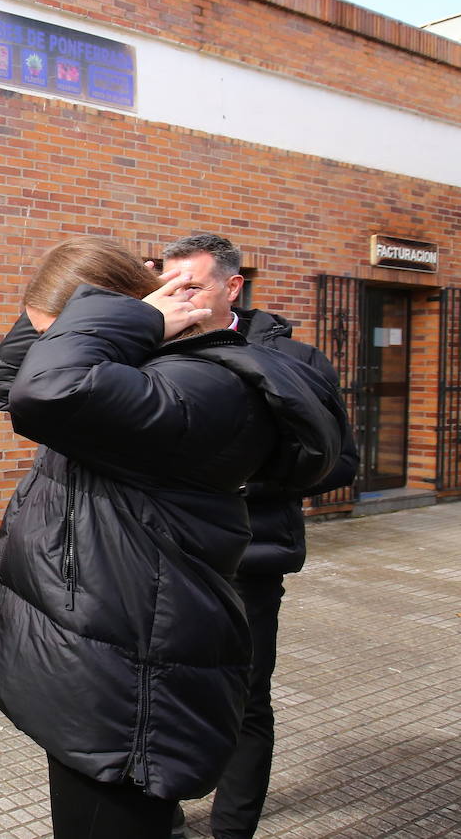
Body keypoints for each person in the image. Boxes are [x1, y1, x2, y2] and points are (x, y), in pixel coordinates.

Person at [0, 237, 348, 839]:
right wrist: (101, 308)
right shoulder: (132, 372)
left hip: (143, 654)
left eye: (60, 333)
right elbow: (12, 376)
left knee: (139, 791)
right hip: (99, 648)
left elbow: (45, 388)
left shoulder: (203, 385)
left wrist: (126, 313)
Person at [161, 233, 359, 839]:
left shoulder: (295, 363)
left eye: (190, 285)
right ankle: (158, 817)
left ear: (232, 287)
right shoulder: (148, 347)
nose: (177, 298)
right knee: (160, 696)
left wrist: (236, 483)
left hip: (248, 559)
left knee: (245, 701)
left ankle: (231, 830)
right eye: (168, 286)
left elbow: (341, 462)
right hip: (160, 560)